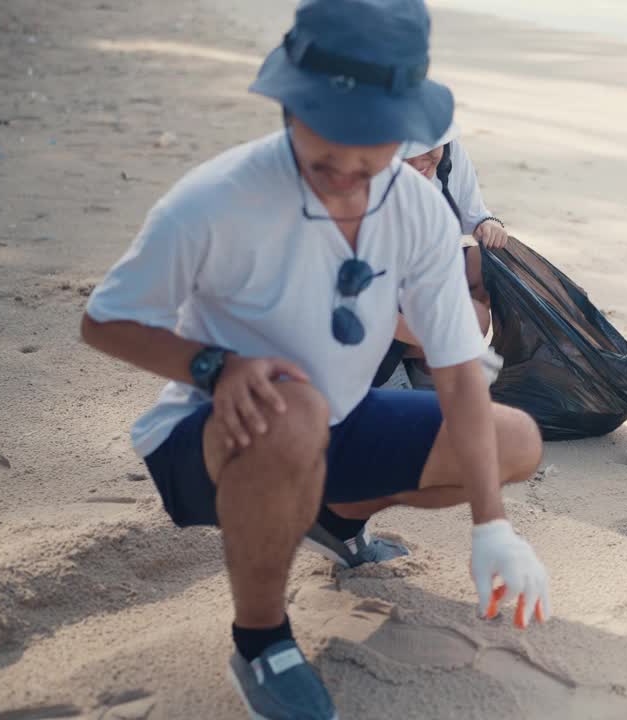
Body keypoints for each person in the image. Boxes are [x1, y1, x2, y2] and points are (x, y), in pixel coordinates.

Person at [79, 1, 550, 717]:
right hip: (210, 436)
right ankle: (261, 639)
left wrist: (492, 525)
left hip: (338, 423)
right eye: (328, 142)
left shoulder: (419, 209)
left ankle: (333, 518)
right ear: (289, 106)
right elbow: (104, 320)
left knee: (514, 437)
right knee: (295, 405)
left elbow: (457, 369)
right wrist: (213, 365)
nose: (349, 168)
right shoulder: (215, 199)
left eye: (375, 146)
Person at [375, 123, 509, 389]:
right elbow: (368, 312)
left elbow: (476, 215)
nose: (417, 163)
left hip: (417, 277)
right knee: (471, 322)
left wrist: (490, 223)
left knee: (488, 262)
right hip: (370, 313)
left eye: (426, 150)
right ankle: (390, 365)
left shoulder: (449, 155)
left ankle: (425, 374)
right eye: (403, 155)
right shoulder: (365, 189)